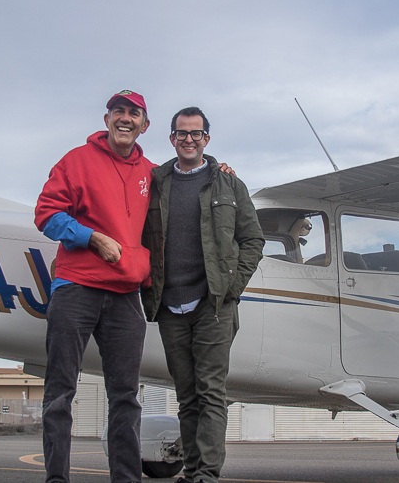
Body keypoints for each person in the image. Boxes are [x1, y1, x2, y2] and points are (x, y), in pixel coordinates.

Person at [34, 90, 153, 483]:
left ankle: (126, 478)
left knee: (125, 397)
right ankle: (57, 479)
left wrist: (220, 172)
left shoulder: (151, 173)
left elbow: (187, 194)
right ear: (106, 119)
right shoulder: (75, 161)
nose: (125, 118)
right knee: (60, 392)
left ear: (144, 125)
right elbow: (47, 214)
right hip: (76, 289)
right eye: (118, 111)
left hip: (125, 298)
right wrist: (90, 238)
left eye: (133, 113)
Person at [141, 107, 265, 483]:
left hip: (212, 306)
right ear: (172, 138)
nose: (189, 139)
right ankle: (191, 470)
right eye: (182, 133)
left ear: (206, 139)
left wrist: (231, 288)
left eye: (196, 134)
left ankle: (207, 475)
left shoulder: (229, 184)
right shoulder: (156, 180)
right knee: (186, 396)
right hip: (169, 306)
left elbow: (253, 239)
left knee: (211, 392)